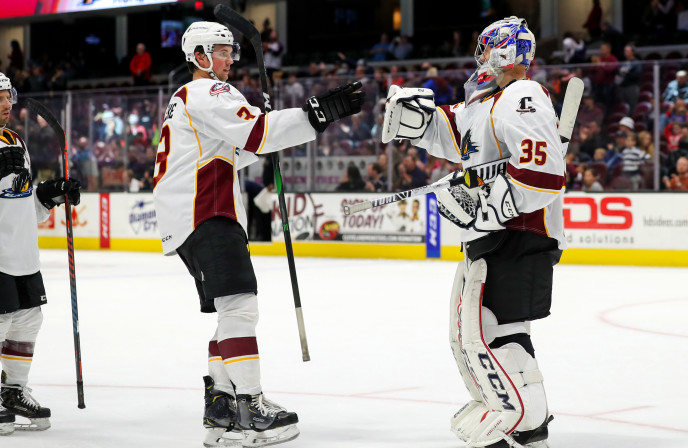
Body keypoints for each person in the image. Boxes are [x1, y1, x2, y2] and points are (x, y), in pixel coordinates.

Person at [152, 22, 364, 448]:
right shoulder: (207, 92)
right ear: (198, 56)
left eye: (232, 51)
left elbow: (242, 148)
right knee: (241, 307)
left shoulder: (186, 100)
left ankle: (222, 406)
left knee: (232, 311)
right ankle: (250, 405)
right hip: (206, 210)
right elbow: (256, 135)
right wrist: (313, 115)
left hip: (189, 215)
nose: (231, 59)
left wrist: (274, 127)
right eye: (221, 51)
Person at [382, 17, 561, 447]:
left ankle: (514, 416)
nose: (479, 57)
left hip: (517, 233)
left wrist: (486, 203)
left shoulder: (521, 94)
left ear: (504, 51)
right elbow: (458, 136)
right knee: (496, 332)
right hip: (499, 234)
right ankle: (531, 424)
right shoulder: (487, 100)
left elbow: (543, 174)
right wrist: (422, 123)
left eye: (485, 48)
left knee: (486, 333)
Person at [0, 72, 81, 435]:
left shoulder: (14, 139)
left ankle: (12, 391)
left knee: (29, 320)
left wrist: (49, 193)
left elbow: (23, 202)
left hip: (22, 253)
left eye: (8, 96)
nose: (6, 104)